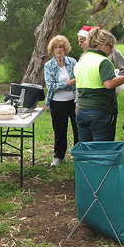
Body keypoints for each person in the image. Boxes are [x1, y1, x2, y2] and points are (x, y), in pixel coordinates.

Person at [74, 28, 124, 142]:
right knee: (102, 151)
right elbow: (109, 84)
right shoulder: (103, 61)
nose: (112, 50)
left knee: (86, 150)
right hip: (100, 112)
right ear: (101, 45)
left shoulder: (81, 61)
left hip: (83, 111)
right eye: (111, 46)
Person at [44, 35, 79, 168]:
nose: (58, 50)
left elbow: (79, 80)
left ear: (66, 49)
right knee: (60, 130)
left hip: (73, 100)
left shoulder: (73, 62)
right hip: (57, 102)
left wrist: (67, 85)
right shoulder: (49, 65)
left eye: (61, 47)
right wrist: (68, 83)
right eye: (56, 47)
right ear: (52, 50)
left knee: (78, 129)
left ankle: (78, 155)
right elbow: (51, 86)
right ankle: (58, 156)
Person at [78, 25, 124, 96]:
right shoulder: (83, 59)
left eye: (81, 41)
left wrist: (116, 85)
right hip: (95, 101)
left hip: (100, 100)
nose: (79, 43)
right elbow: (79, 82)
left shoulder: (111, 53)